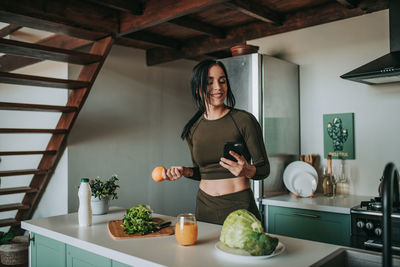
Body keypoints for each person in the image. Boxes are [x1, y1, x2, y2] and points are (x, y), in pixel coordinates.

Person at [163, 60, 270, 225]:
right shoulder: (193, 129)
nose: (218, 87)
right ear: (198, 89)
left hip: (239, 207)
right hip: (205, 207)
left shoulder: (244, 120)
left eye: (222, 81)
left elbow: (264, 168)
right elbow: (203, 172)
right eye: (209, 82)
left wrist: (247, 170)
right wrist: (186, 171)